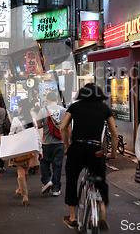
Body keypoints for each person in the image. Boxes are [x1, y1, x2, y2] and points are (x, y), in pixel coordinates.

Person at [60, 83, 118, 230]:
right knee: (100, 180)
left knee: (72, 179)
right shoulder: (104, 108)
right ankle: (102, 211)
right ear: (99, 94)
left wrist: (67, 146)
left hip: (77, 147)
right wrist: (113, 153)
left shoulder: (75, 106)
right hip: (95, 149)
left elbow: (63, 127)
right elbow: (114, 133)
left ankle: (73, 218)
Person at [9, 99, 41, 206]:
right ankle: (20, 189)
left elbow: (11, 134)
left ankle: (25, 195)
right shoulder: (32, 120)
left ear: (21, 108)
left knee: (20, 172)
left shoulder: (15, 120)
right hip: (30, 149)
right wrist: (40, 150)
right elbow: (36, 136)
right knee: (26, 171)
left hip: (19, 149)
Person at [36, 91, 67, 196]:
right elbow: (67, 126)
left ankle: (47, 180)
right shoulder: (63, 110)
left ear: (47, 100)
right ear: (57, 100)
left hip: (46, 142)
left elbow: (38, 125)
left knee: (44, 162)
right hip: (60, 142)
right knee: (57, 165)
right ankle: (56, 189)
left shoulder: (43, 110)